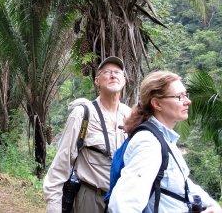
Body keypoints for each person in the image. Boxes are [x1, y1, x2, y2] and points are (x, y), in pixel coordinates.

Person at [108, 71, 222, 213]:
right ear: (157, 103)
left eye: (186, 95)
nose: (188, 101)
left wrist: (213, 206)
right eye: (179, 97)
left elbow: (184, 185)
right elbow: (123, 205)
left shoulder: (165, 140)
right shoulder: (149, 143)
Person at [43, 56, 131, 213]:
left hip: (123, 201)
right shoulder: (83, 114)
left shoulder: (129, 115)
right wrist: (53, 206)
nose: (113, 75)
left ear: (124, 80)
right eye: (107, 72)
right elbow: (62, 162)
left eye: (118, 72)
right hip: (91, 199)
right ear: (97, 81)